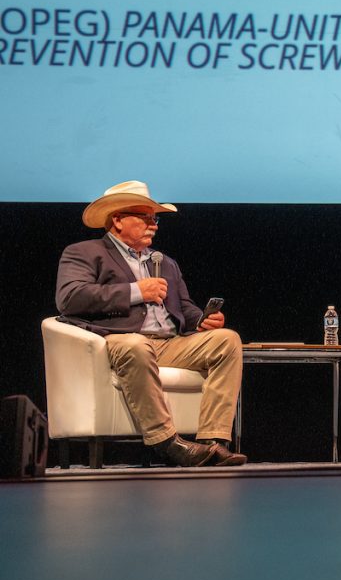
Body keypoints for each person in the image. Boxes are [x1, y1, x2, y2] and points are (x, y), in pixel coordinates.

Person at [56, 180, 246, 467]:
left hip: (169, 343)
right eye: (145, 217)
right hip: (118, 338)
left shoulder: (165, 262)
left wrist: (203, 320)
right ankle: (167, 443)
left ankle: (213, 442)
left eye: (155, 218)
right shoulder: (84, 252)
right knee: (137, 344)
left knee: (227, 340)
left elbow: (183, 308)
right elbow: (70, 298)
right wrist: (136, 292)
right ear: (117, 220)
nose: (154, 225)